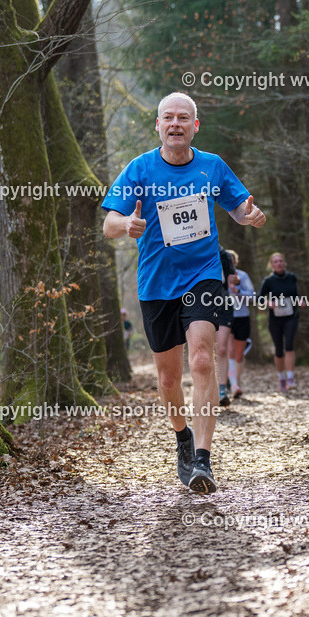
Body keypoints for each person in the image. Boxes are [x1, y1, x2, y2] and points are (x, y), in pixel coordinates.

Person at [101, 92, 266, 494]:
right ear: (157, 125)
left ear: (195, 126)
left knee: (203, 360)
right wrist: (127, 226)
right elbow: (109, 223)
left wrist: (250, 216)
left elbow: (238, 208)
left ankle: (203, 460)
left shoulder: (212, 167)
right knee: (168, 377)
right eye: (168, 118)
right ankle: (183, 439)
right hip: (157, 282)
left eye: (183, 118)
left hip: (203, 275)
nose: (175, 124)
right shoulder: (140, 169)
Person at [259, 252, 300, 393]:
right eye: (275, 261)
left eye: (281, 261)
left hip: (291, 316)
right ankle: (281, 378)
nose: (279, 263)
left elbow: (296, 295)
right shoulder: (268, 281)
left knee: (289, 345)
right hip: (275, 318)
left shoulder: (292, 278)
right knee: (278, 349)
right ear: (272, 264)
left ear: (285, 263)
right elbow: (259, 298)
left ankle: (290, 377)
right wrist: (267, 302)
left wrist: (300, 301)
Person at [225, 249, 254, 398]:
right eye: (227, 260)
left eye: (232, 260)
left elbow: (253, 297)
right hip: (226, 317)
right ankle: (234, 385)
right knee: (229, 351)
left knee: (239, 354)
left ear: (236, 262)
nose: (230, 263)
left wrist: (237, 290)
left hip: (242, 317)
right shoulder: (220, 276)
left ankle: (236, 380)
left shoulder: (243, 276)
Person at [215, 247, 238, 407]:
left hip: (223, 302)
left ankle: (222, 390)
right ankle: (208, 389)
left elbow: (233, 277)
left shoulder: (224, 255)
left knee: (221, 349)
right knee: (204, 350)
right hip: (199, 302)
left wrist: (235, 281)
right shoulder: (192, 248)